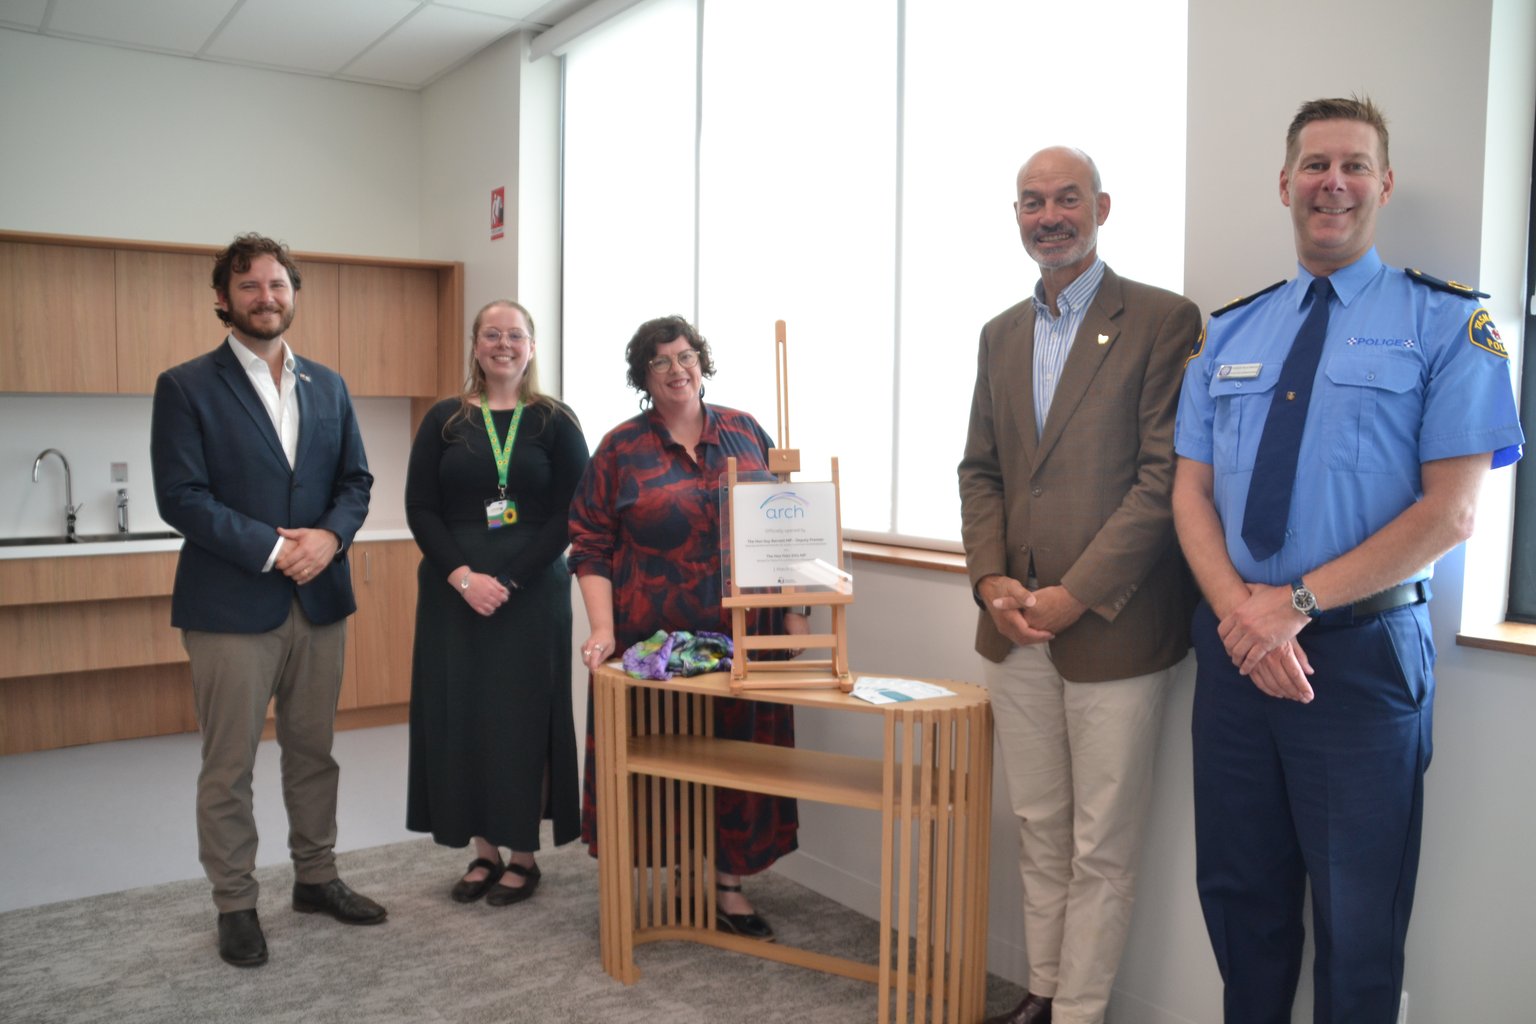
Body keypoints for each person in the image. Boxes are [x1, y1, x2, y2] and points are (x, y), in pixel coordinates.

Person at [1172, 97, 1524, 1023]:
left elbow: (1451, 513)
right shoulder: (1230, 332)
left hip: (1363, 660)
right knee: (1240, 902)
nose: (1334, 183)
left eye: (1355, 165)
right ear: (1285, 183)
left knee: (1359, 922)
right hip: (1237, 651)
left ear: (1384, 184)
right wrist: (1244, 618)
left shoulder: (1448, 324)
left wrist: (1288, 605)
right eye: (1316, 165)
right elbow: (1189, 493)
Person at [958, 147, 1201, 1024]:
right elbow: (982, 471)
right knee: (1038, 825)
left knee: (1102, 845)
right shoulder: (1000, 334)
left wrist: (1074, 594)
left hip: (1114, 626)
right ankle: (1044, 990)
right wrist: (990, 579)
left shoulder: (1164, 321)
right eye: (1032, 202)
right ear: (1016, 216)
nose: (1049, 216)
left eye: (1067, 199)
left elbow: (1163, 480)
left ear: (1102, 207)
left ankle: (1080, 1012)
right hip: (1013, 626)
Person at [150, 233, 383, 969]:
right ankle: (235, 904)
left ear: (293, 294)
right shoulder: (186, 386)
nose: (266, 297)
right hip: (230, 605)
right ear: (223, 298)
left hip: (319, 599)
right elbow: (181, 497)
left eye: (278, 284)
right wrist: (277, 549)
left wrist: (330, 538)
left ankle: (316, 878)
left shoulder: (329, 385)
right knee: (229, 765)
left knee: (314, 752)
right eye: (249, 286)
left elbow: (356, 482)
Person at [568, 314, 808, 940]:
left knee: (738, 762)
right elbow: (589, 543)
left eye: (686, 356)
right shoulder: (620, 447)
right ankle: (676, 877)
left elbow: (788, 521)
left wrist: (796, 613)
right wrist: (601, 629)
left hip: (747, 637)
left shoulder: (746, 431)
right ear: (643, 376)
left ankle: (728, 888)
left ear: (702, 362)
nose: (677, 370)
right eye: (661, 361)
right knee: (666, 759)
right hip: (657, 645)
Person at [404, 300, 588, 906]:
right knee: (463, 717)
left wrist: (506, 579)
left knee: (521, 719)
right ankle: (483, 850)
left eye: (515, 334)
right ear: (476, 346)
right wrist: (464, 578)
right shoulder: (444, 420)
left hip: (530, 595)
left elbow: (573, 512)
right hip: (452, 595)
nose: (503, 344)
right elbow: (420, 508)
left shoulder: (554, 421)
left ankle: (523, 857)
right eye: (492, 334)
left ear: (531, 347)